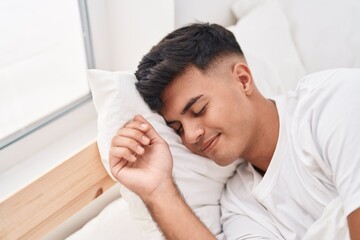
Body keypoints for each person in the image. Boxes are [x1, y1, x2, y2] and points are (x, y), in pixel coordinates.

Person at [109, 23, 360, 239]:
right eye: (177, 128)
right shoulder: (239, 203)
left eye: (198, 110)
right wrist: (158, 191)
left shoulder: (334, 102)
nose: (190, 136)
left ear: (243, 79)